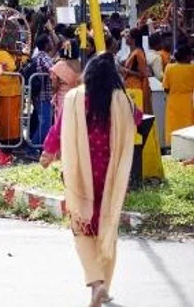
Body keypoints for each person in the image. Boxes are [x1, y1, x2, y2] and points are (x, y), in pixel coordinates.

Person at [40, 53, 139, 306]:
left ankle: (95, 283)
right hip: (111, 174)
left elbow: (58, 128)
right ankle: (104, 285)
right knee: (108, 227)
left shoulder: (75, 98)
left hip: (80, 173)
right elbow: (137, 120)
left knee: (82, 228)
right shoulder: (122, 100)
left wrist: (48, 153)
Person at [29, 34, 55, 147]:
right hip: (44, 94)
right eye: (50, 41)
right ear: (46, 44)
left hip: (42, 95)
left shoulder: (39, 56)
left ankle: (37, 145)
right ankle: (33, 147)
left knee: (44, 122)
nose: (52, 44)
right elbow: (53, 70)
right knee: (46, 123)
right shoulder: (43, 56)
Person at [163, 45, 194, 139]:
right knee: (188, 129)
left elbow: (166, 88)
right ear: (187, 56)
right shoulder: (192, 68)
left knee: (174, 128)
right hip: (189, 103)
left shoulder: (169, 68)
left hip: (173, 102)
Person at [50, 40, 81, 125]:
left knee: (62, 124)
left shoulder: (59, 65)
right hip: (79, 98)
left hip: (63, 99)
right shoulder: (81, 64)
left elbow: (54, 86)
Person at [120, 28, 149, 113]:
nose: (126, 38)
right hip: (129, 86)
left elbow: (142, 74)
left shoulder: (138, 53)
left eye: (128, 36)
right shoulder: (133, 52)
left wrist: (126, 70)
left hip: (136, 88)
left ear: (133, 39)